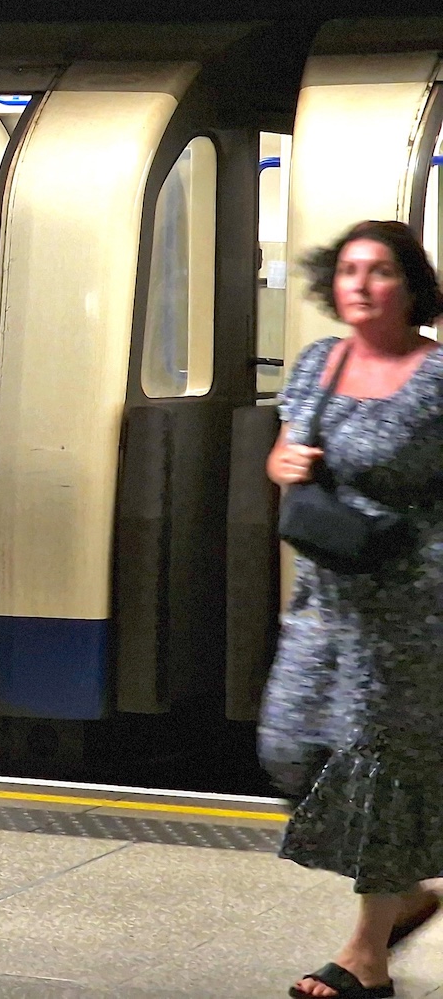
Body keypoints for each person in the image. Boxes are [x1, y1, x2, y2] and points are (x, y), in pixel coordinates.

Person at [260, 221, 443, 999]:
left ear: (411, 286)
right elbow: (283, 455)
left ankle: (366, 955)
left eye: (379, 271)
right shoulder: (317, 363)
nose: (360, 284)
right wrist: (284, 462)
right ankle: (405, 894)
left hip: (409, 605)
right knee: (289, 746)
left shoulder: (436, 377)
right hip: (325, 595)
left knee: (378, 768)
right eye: (348, 271)